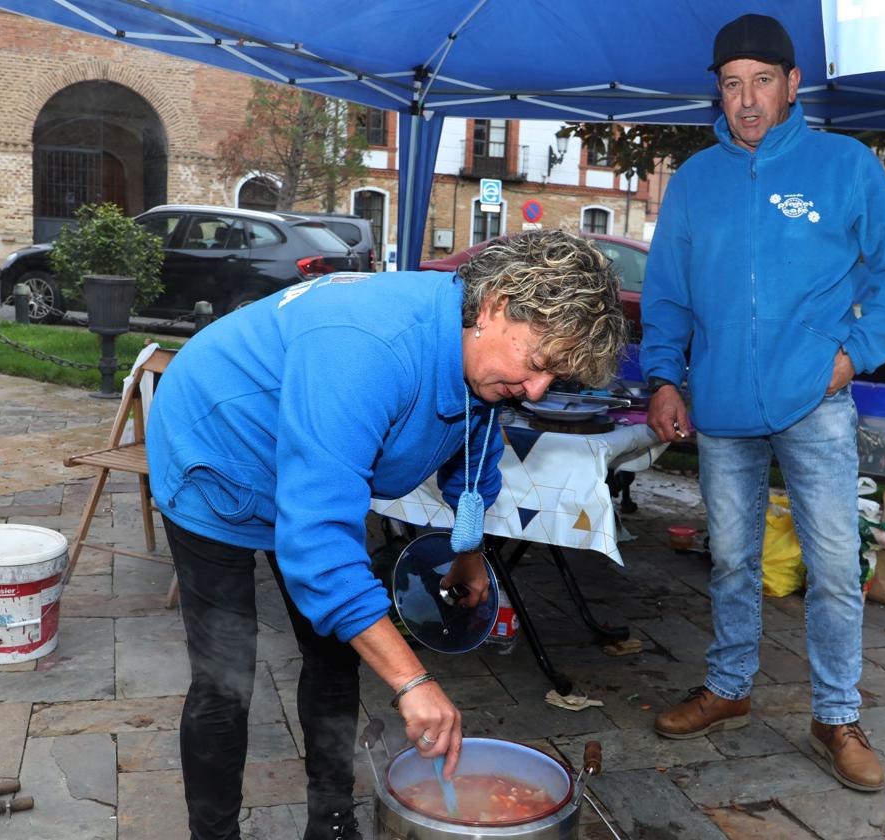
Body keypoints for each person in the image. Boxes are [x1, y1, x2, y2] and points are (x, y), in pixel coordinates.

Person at [146, 230, 627, 840]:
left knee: (334, 654)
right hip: (216, 451)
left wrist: (469, 551)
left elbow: (475, 444)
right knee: (225, 678)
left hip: (309, 453)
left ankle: (331, 822)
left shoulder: (477, 348)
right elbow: (318, 543)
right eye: (537, 366)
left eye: (553, 379)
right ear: (497, 305)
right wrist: (413, 681)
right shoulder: (367, 348)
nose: (536, 391)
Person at [641, 13, 885, 792]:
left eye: (762, 81)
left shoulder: (845, 165)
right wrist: (665, 377)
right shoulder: (697, 181)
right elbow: (666, 291)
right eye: (732, 85)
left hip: (817, 404)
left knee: (835, 565)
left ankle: (836, 715)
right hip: (723, 408)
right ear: (720, 93)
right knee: (731, 560)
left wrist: (852, 357)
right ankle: (729, 688)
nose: (748, 100)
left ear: (793, 84)